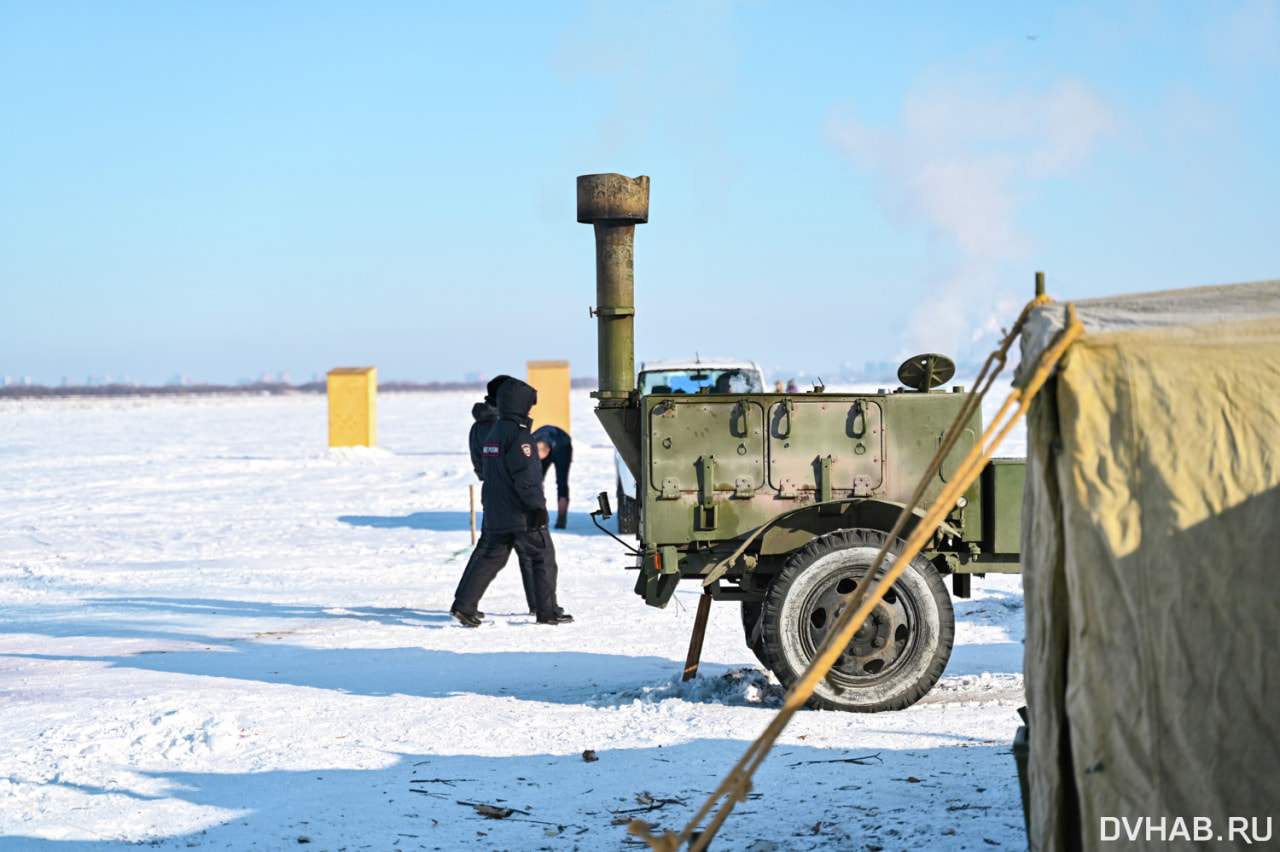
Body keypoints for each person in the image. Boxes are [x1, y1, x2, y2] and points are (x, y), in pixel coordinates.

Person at [451, 377, 572, 627]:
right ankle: (546, 611)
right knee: (542, 556)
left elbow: (486, 467)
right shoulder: (520, 436)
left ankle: (463, 605)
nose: (530, 410)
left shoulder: (493, 432)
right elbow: (526, 479)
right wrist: (536, 508)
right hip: (518, 508)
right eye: (528, 405)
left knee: (491, 555)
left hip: (495, 505)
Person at [453, 375, 539, 615]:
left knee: (489, 550)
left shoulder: (479, 425)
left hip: (492, 494)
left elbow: (481, 466)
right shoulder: (503, 427)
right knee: (531, 551)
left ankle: (463, 604)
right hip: (514, 496)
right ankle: (541, 606)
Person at [531, 424, 572, 529]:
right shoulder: (531, 442)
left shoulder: (560, 446)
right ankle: (536, 515)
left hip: (562, 446)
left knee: (562, 482)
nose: (541, 460)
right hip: (541, 443)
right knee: (534, 482)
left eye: (542, 458)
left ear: (548, 451)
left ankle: (561, 518)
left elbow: (562, 482)